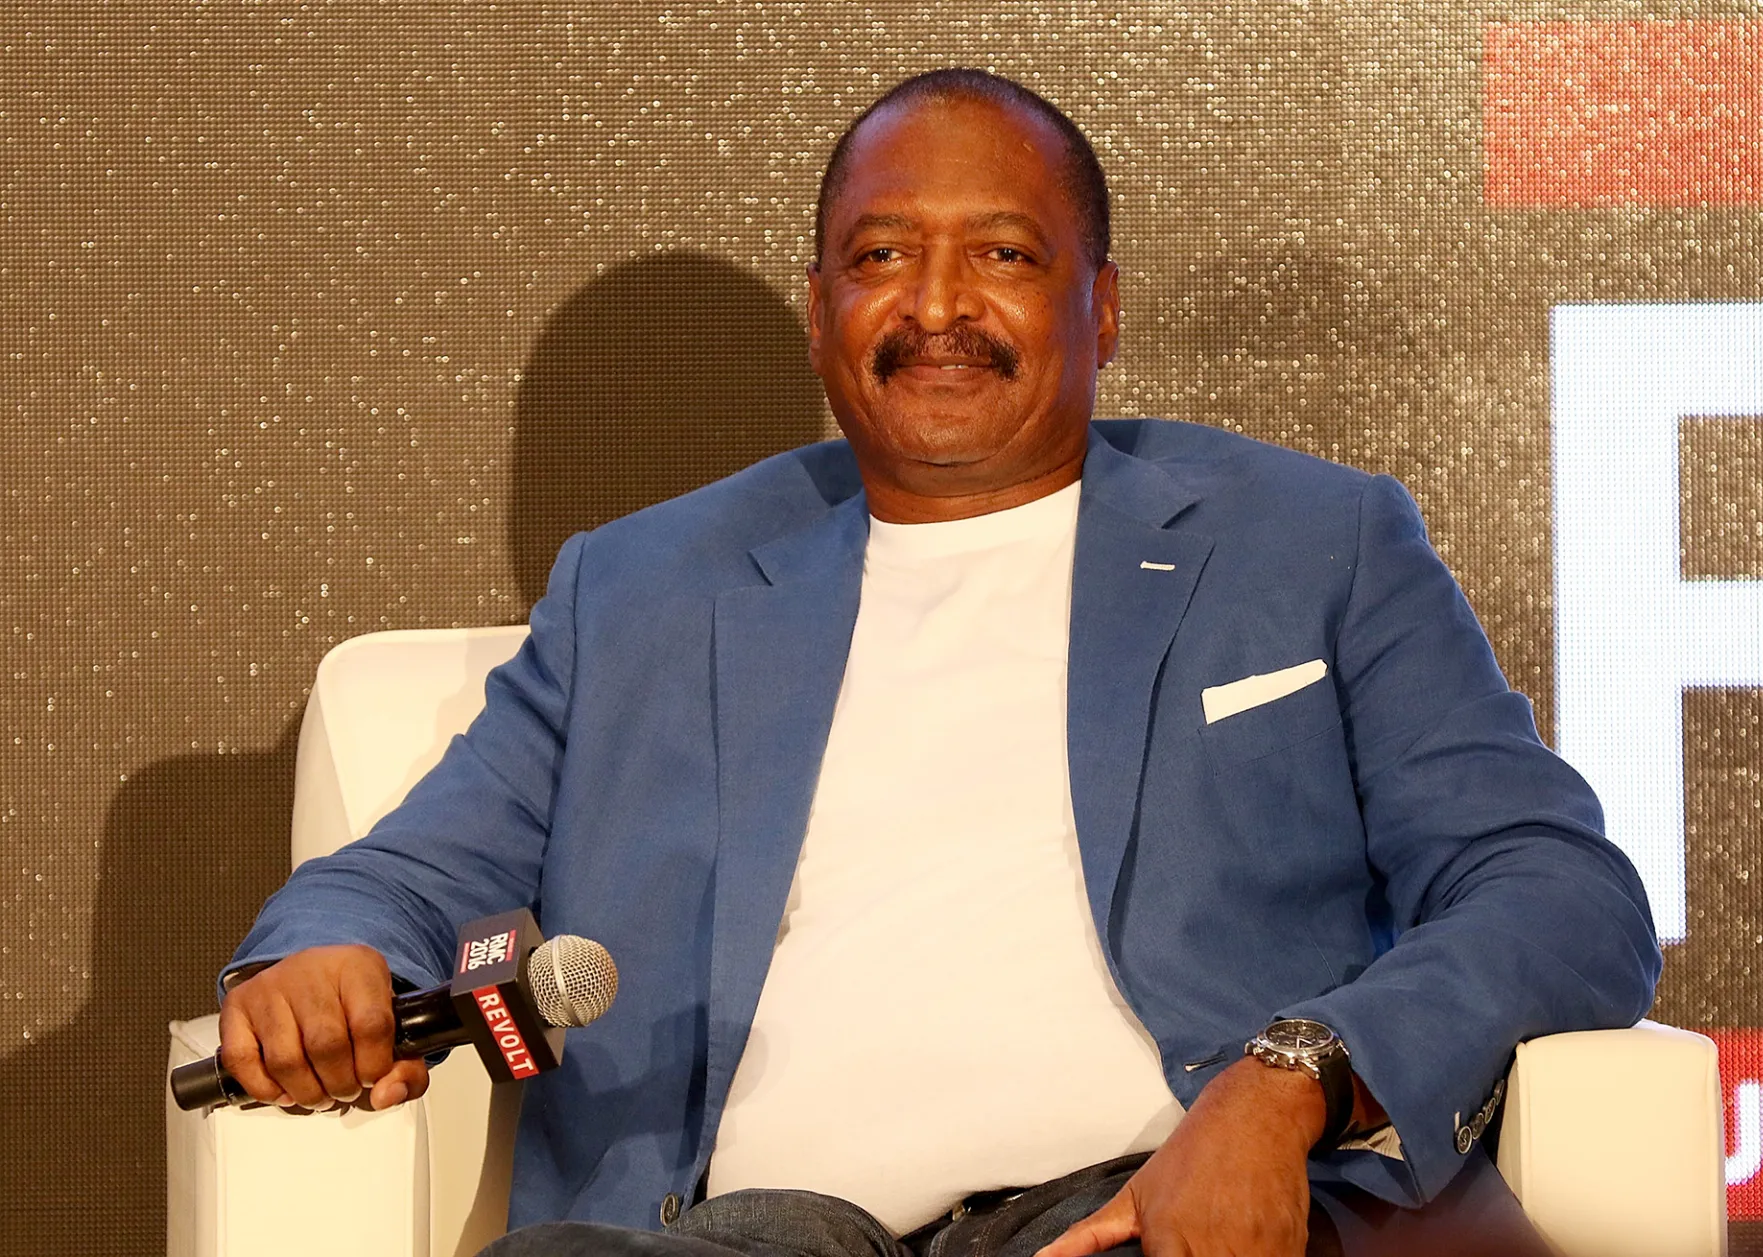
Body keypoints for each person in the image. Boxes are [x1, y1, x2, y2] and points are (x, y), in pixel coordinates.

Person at [217, 69, 1661, 1257]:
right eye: (881, 255)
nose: (936, 307)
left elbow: (1556, 890)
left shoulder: (1310, 543)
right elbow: (406, 877)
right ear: (821, 312)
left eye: (1004, 255)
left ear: (1101, 307)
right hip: (746, 1234)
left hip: (1141, 1210)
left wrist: (1289, 1083)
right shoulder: (643, 588)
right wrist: (318, 960)